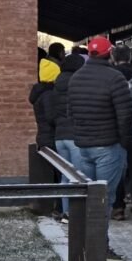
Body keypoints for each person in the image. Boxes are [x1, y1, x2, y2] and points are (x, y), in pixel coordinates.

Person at [67, 36, 132, 261]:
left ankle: (85, 245)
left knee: (89, 198)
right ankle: (100, 249)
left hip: (83, 147)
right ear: (110, 54)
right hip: (108, 147)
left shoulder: (76, 78)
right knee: (104, 200)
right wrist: (123, 143)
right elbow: (126, 115)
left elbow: (71, 113)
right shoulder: (115, 78)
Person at [110, 45, 132, 222]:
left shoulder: (110, 78)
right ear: (130, 57)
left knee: (118, 172)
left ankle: (118, 208)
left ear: (113, 58)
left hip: (116, 134)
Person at [52, 53, 85, 223]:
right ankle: (76, 213)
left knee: (65, 176)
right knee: (78, 176)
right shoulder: (79, 83)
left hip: (59, 136)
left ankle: (66, 213)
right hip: (75, 136)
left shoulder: (56, 83)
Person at [29, 58, 58, 150]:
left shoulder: (39, 93)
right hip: (50, 138)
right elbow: (51, 117)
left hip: (43, 136)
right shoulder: (48, 94)